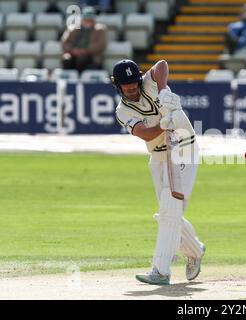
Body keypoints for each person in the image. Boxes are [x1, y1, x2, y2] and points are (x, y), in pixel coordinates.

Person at [112, 59, 205, 285]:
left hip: (183, 147)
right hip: (159, 157)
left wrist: (163, 90)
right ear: (118, 86)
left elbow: (162, 64)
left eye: (134, 82)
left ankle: (161, 271)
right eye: (127, 85)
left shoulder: (149, 83)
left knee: (169, 212)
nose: (132, 87)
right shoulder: (122, 111)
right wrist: (163, 125)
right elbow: (144, 134)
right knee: (168, 213)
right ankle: (195, 250)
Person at [61, 6, 107, 72]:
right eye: (86, 20)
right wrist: (72, 50)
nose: (88, 22)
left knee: (81, 60)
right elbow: (64, 42)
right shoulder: (73, 29)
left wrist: (85, 50)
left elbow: (101, 44)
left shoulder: (100, 30)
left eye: (90, 20)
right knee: (66, 59)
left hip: (90, 55)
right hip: (73, 54)